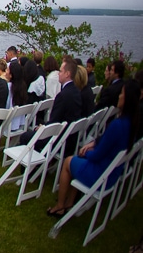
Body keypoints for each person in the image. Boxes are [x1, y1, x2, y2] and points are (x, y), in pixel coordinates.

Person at [47, 79, 141, 217]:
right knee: (77, 159)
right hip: (112, 172)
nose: (119, 96)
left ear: (128, 99)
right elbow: (107, 143)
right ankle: (69, 203)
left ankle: (60, 206)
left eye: (122, 93)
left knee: (68, 161)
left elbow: (97, 155)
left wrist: (87, 153)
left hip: (101, 174)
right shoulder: (132, 123)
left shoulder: (118, 125)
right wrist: (94, 144)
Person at [6, 62, 29, 132]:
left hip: (8, 123)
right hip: (20, 122)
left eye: (7, 70)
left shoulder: (9, 87)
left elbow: (6, 105)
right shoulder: (23, 86)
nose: (5, 72)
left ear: (11, 75)